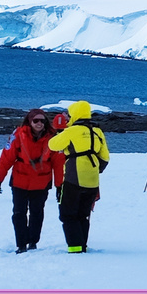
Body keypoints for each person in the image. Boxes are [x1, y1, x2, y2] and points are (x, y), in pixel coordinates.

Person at [0, 108, 64, 254]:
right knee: (19, 213)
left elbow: (58, 163)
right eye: (35, 120)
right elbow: (7, 157)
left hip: (41, 182)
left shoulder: (53, 138)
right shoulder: (18, 135)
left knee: (37, 213)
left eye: (42, 121)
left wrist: (59, 185)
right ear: (29, 121)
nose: (39, 123)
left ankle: (32, 242)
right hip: (20, 181)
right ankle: (21, 244)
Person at [48, 100, 110, 254]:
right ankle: (83, 245)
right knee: (83, 214)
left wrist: (62, 131)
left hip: (73, 177)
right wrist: (95, 169)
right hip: (93, 178)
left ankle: (75, 248)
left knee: (68, 213)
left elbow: (52, 145)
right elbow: (105, 157)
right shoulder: (98, 131)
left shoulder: (72, 131)